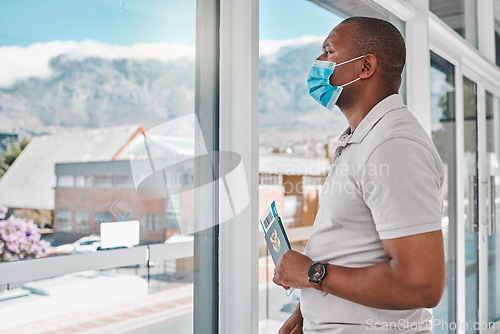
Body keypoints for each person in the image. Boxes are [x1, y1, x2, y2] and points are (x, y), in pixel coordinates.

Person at [273, 16, 445, 333]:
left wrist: (313, 275)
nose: (318, 62)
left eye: (328, 51)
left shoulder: (393, 146)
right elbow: (354, 244)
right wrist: (307, 311)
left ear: (364, 67)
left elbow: (422, 285)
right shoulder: (365, 139)